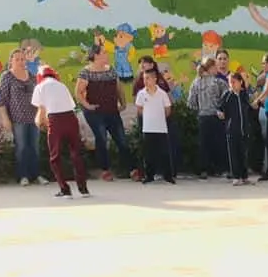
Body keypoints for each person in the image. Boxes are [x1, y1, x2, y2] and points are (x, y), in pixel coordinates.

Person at [76, 44, 138, 183]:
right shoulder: (86, 72)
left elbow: (119, 88)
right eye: (104, 53)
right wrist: (87, 106)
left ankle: (132, 169)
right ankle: (105, 170)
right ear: (96, 55)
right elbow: (78, 93)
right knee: (101, 138)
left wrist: (122, 103)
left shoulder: (111, 70)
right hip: (95, 112)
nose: (107, 55)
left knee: (121, 139)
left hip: (112, 110)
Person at [32, 65, 90, 199]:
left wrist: (39, 123)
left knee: (55, 156)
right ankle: (83, 188)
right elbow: (71, 105)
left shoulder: (40, 87)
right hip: (71, 118)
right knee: (76, 153)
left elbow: (41, 111)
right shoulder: (61, 85)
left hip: (55, 120)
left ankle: (65, 189)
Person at [0, 48, 43, 186]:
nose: (20, 61)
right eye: (17, 59)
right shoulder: (7, 77)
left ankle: (36, 175)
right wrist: (5, 118)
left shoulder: (32, 76)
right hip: (18, 119)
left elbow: (39, 97)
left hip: (33, 118)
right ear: (11, 61)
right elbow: (2, 100)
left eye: (22, 59)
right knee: (21, 147)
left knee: (34, 147)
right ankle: (23, 176)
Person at [188, 57, 228, 179]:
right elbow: (227, 97)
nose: (217, 69)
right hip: (216, 117)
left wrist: (199, 109)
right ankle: (219, 169)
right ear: (210, 68)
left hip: (203, 117)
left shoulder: (196, 82)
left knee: (204, 144)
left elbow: (191, 102)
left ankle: (203, 169)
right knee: (219, 144)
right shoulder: (219, 82)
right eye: (215, 66)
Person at [135, 68, 176, 184]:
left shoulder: (162, 94)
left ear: (155, 79)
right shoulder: (141, 94)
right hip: (147, 128)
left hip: (161, 128)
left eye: (148, 78)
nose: (146, 81)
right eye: (144, 79)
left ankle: (168, 175)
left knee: (164, 153)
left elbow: (168, 109)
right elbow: (139, 109)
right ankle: (149, 176)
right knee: (149, 154)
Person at [218, 72, 252, 186]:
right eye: (230, 82)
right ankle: (236, 176)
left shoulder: (244, 94)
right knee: (234, 154)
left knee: (243, 154)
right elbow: (220, 109)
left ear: (240, 82)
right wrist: (220, 113)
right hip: (232, 130)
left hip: (244, 129)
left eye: (234, 82)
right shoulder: (227, 95)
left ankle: (244, 176)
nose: (232, 85)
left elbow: (249, 107)